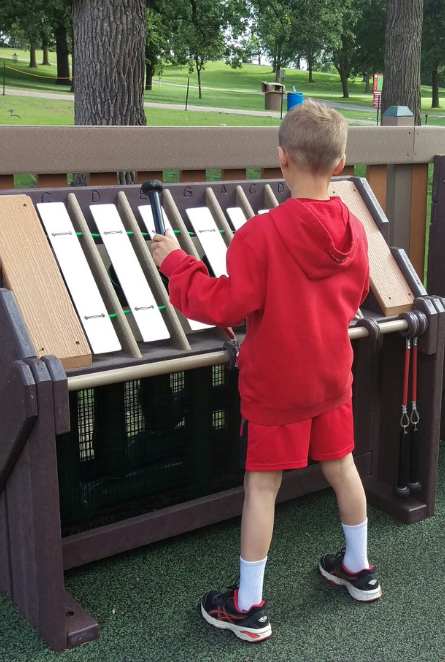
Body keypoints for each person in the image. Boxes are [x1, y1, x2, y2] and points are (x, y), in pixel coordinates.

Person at [150, 100, 376, 644]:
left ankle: (248, 606)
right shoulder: (355, 230)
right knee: (342, 467)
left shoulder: (260, 234)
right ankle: (359, 568)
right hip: (331, 377)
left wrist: (175, 262)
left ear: (282, 159)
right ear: (340, 164)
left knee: (262, 486)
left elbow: (223, 305)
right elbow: (354, 294)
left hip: (277, 386)